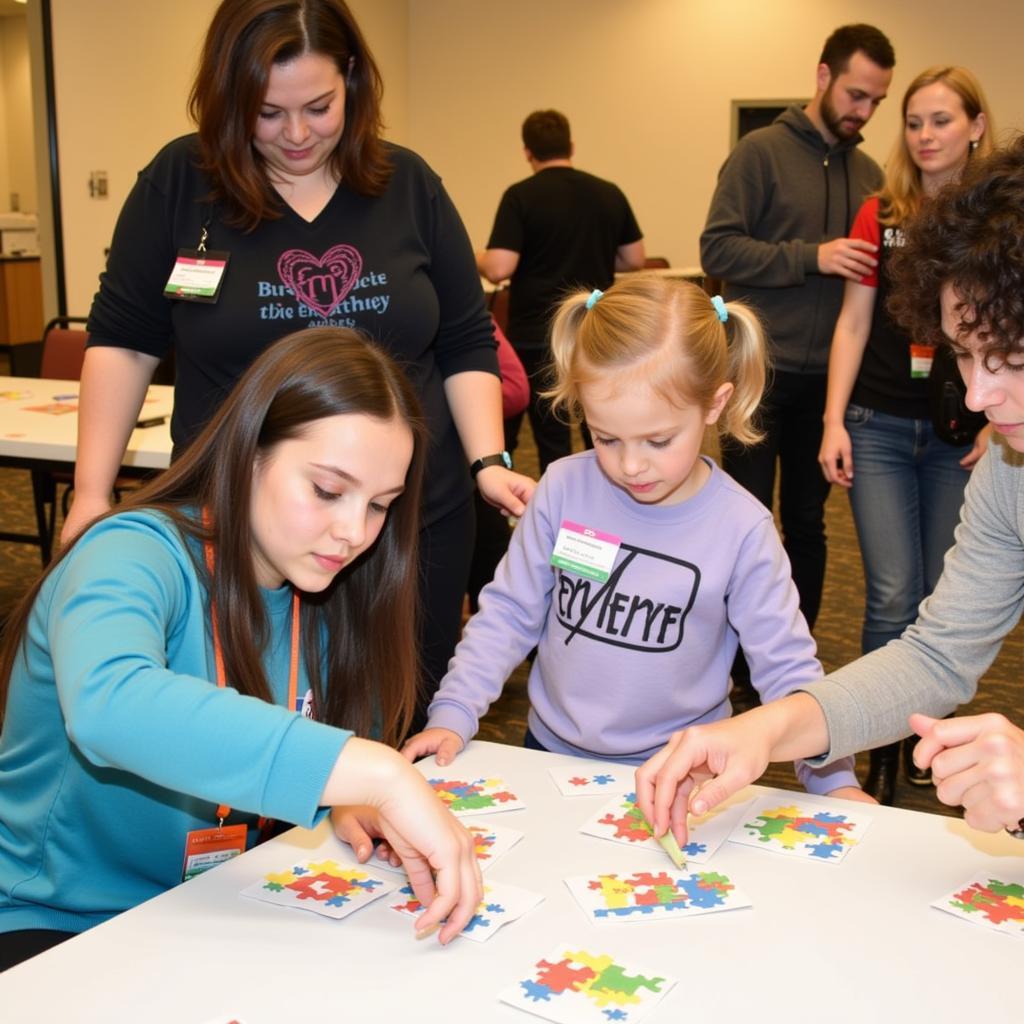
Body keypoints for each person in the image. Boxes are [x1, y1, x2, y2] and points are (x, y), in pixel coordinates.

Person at [66, 0, 535, 727]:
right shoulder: (180, 183)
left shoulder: (407, 186)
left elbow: (466, 339)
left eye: (318, 107)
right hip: (242, 527)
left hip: (405, 520)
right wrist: (90, 492)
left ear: (353, 80)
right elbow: (125, 340)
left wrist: (486, 463)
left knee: (403, 722)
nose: (295, 134)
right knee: (246, 731)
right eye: (266, 112)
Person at [0, 329, 484, 972]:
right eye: (327, 490)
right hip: (53, 923)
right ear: (249, 452)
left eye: (380, 506)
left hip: (209, 908)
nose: (355, 532)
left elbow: (325, 744)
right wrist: (378, 774)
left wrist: (345, 798)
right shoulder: (127, 553)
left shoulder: (333, 587)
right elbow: (107, 703)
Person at [637, 139, 1024, 846]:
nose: (978, 394)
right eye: (964, 355)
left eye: (1013, 361)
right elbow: (938, 657)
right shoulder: (1009, 465)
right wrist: (766, 727)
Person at [402, 276, 866, 804]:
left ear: (714, 405)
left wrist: (834, 780)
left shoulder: (742, 528)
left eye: (658, 440)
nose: (630, 465)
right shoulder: (563, 488)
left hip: (682, 775)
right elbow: (508, 614)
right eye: (606, 437)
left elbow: (786, 669)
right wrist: (454, 713)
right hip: (549, 755)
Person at [818, 67, 994, 803]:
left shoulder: (995, 218)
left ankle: (932, 744)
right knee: (891, 595)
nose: (924, 136)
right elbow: (854, 321)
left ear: (976, 126)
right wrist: (833, 418)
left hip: (964, 435)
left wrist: (998, 423)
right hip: (878, 424)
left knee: (944, 605)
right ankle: (882, 745)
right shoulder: (879, 212)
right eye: (914, 122)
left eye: (941, 121)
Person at [700, 24, 895, 637]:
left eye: (876, 102)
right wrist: (812, 256)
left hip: (830, 387)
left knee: (808, 524)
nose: (863, 113)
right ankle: (732, 660)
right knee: (744, 519)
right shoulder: (760, 152)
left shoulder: (869, 175)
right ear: (823, 76)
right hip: (757, 371)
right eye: (856, 95)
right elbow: (717, 250)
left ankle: (791, 657)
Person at [477, 109, 645, 472]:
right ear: (570, 145)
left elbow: (499, 267)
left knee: (551, 437)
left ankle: (564, 511)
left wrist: (474, 258)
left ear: (527, 152)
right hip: (597, 335)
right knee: (602, 429)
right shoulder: (607, 192)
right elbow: (634, 259)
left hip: (537, 337)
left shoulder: (520, 196)